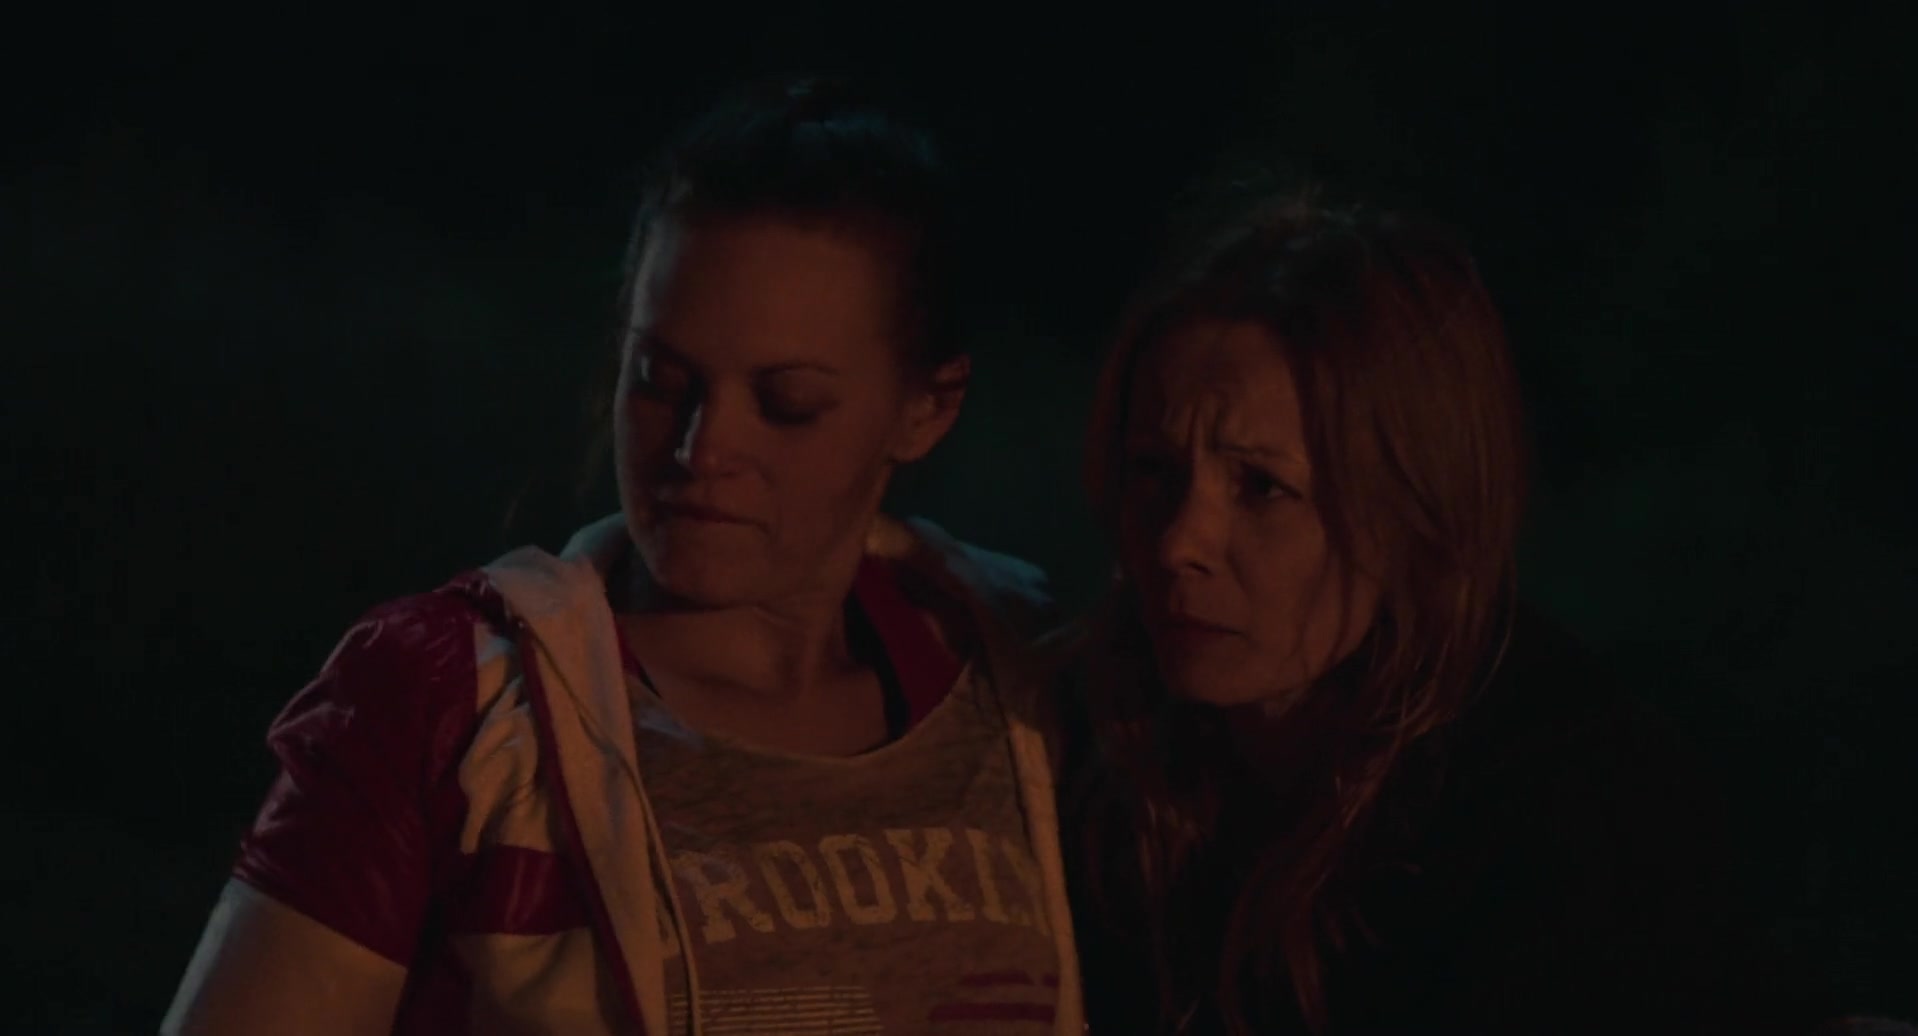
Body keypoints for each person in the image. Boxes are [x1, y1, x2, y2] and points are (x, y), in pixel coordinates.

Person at [163, 77, 1084, 1036]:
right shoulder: (448, 702)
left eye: (789, 404)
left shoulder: (1024, 676)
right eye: (661, 381)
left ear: (927, 409)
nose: (702, 448)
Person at [1056, 197, 1827, 1034]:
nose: (1178, 543)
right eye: (1153, 471)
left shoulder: (1569, 817)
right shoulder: (1093, 754)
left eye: (1262, 487)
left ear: (1411, 510)